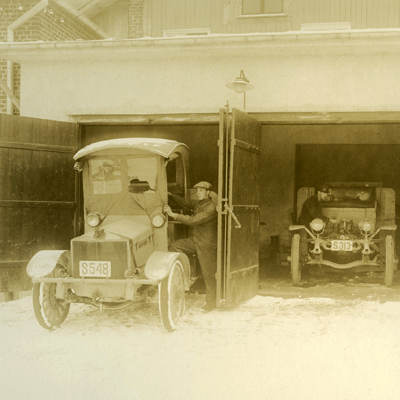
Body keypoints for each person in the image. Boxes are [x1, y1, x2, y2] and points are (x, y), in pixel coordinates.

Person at [164, 181, 217, 312]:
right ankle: (180, 276)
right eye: (197, 190)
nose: (198, 193)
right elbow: (184, 202)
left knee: (208, 274)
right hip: (195, 240)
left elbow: (193, 220)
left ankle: (211, 304)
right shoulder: (199, 203)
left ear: (208, 192)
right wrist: (170, 195)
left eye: (201, 190)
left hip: (205, 244)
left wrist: (173, 215)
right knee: (175, 246)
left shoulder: (211, 207)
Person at [297, 185, 336, 277]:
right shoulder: (311, 201)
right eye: (324, 194)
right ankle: (305, 261)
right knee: (305, 244)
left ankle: (314, 266)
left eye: (327, 194)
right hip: (305, 225)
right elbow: (315, 213)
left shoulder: (318, 201)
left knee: (314, 244)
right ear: (319, 193)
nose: (326, 196)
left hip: (313, 225)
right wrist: (328, 220)